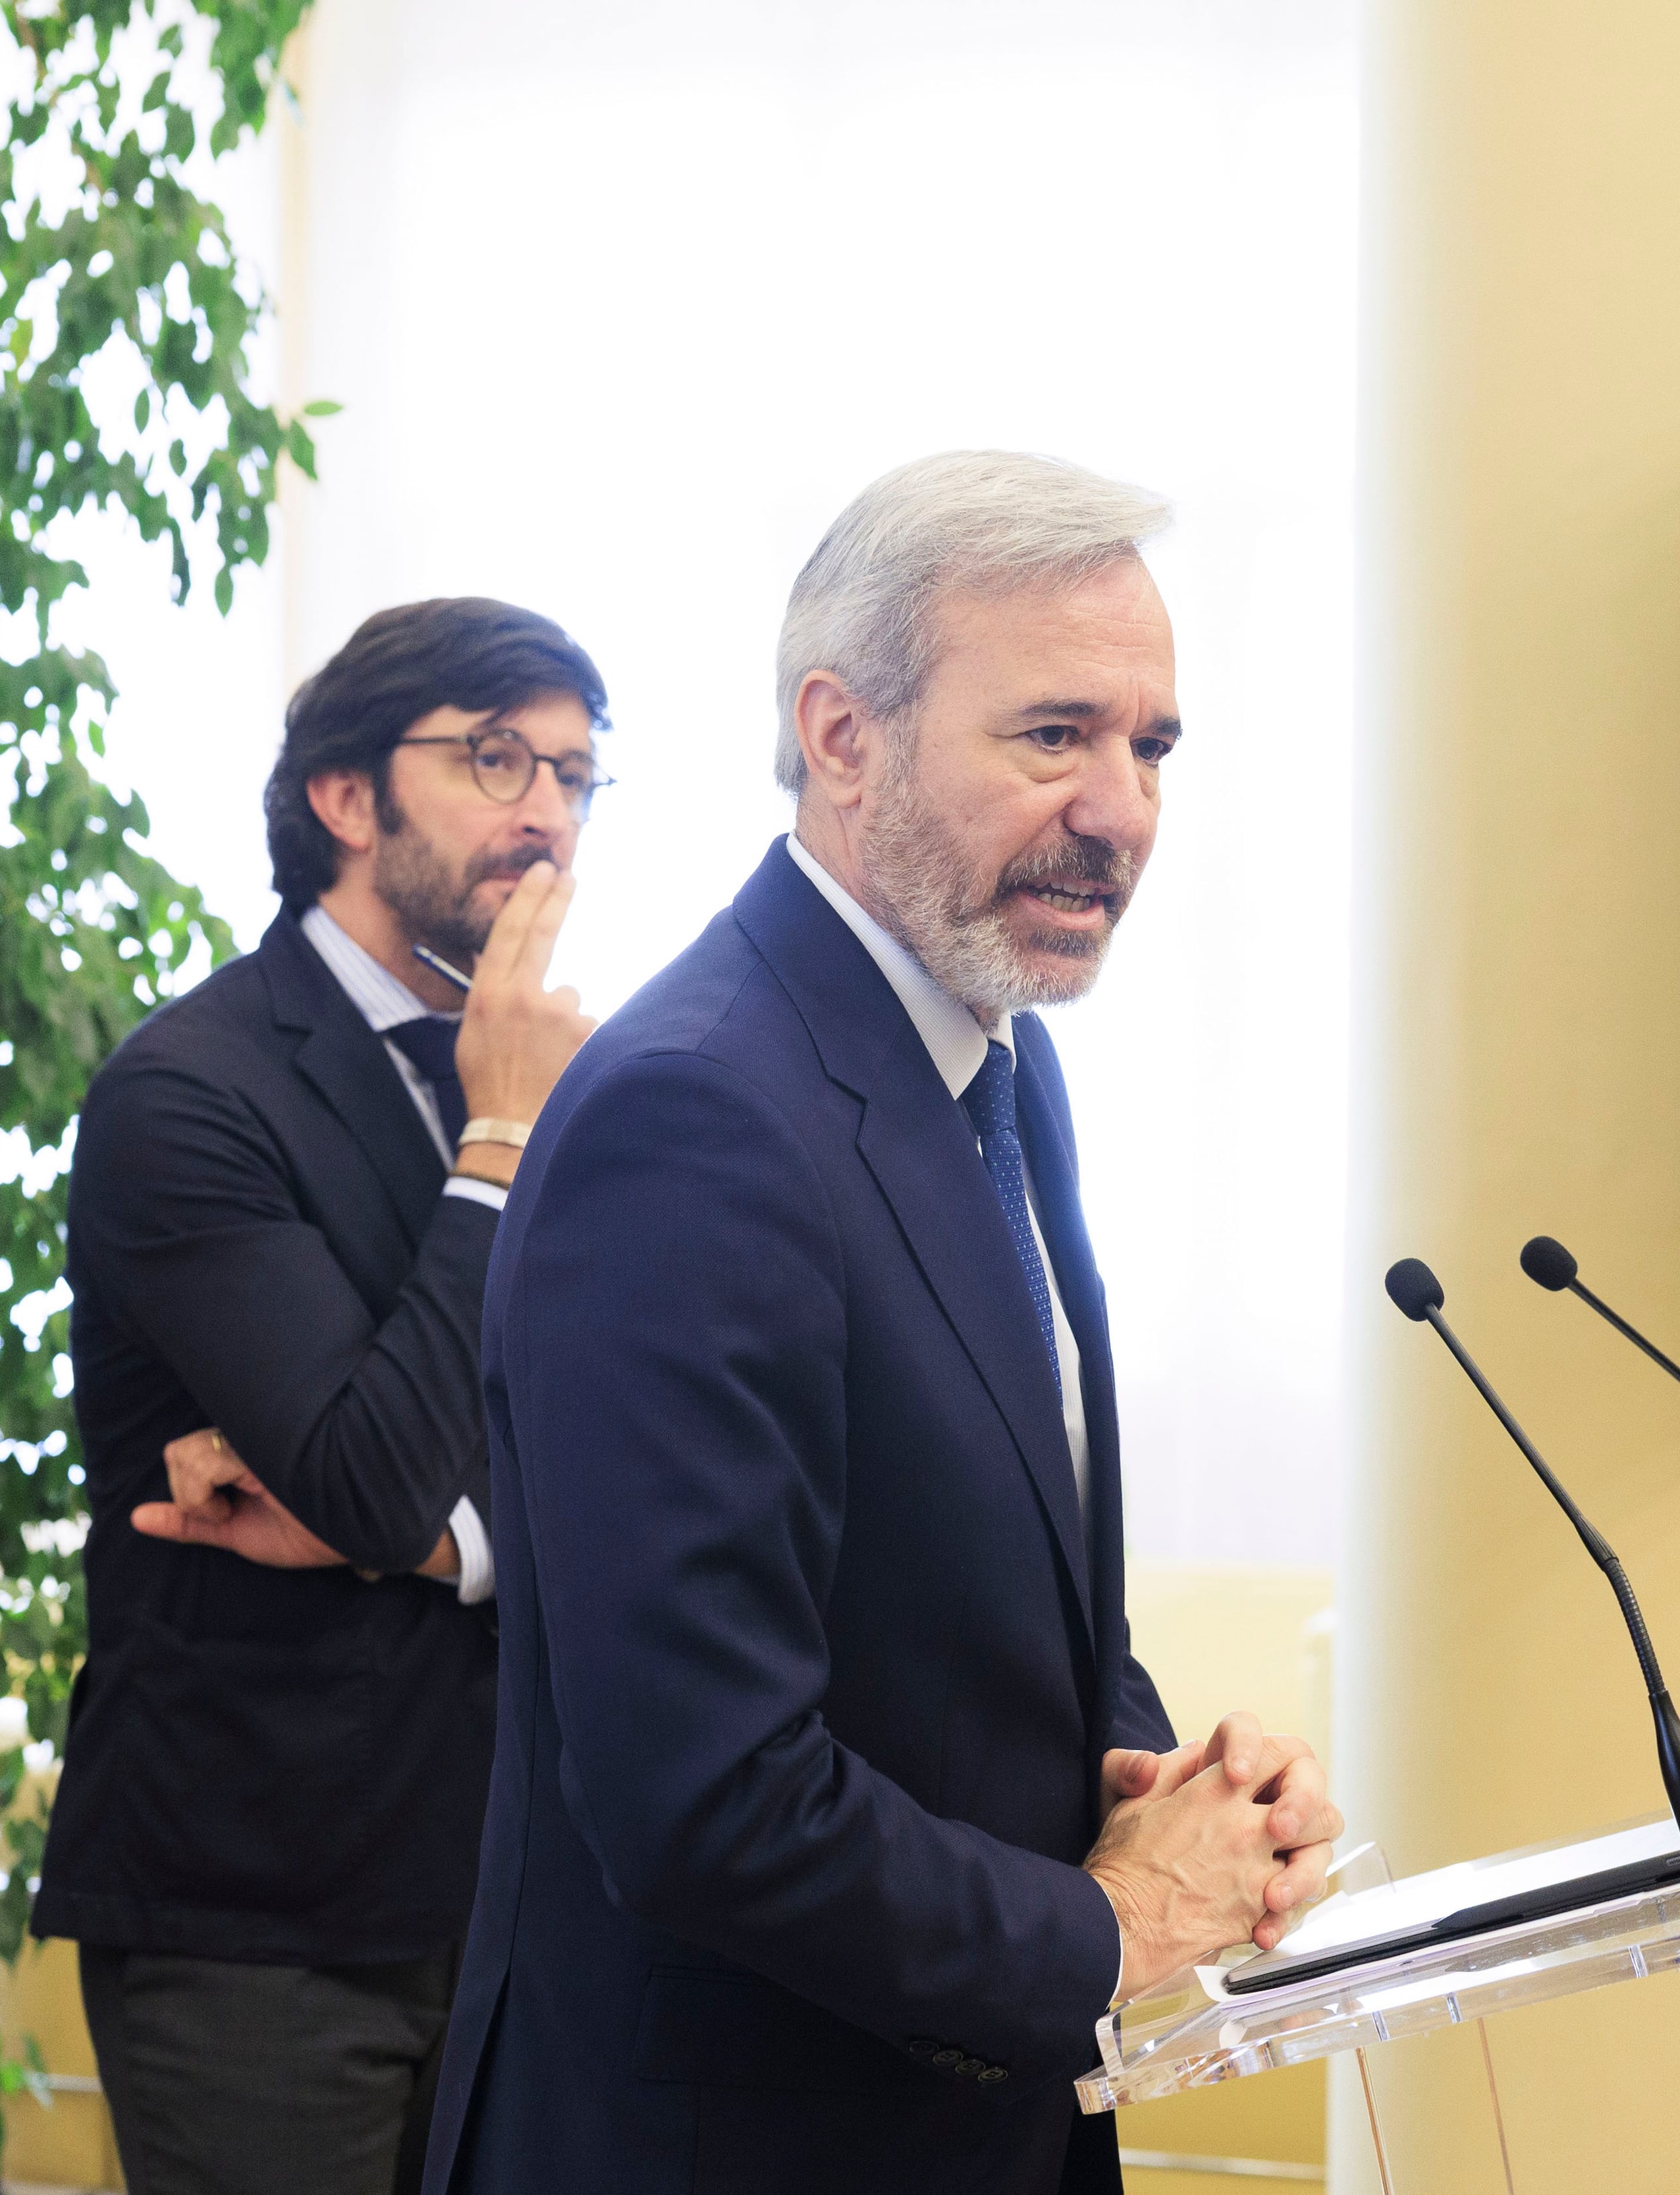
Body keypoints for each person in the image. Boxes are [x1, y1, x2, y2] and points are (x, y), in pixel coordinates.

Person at [424, 455, 1341, 2195]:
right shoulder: (692, 1119)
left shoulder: (1000, 1055)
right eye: (1054, 735)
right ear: (842, 736)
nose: (1121, 809)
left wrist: (1170, 1777)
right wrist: (1109, 1918)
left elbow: (967, 1597)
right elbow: (701, 1791)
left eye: (1152, 747)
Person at [32, 597, 606, 2195]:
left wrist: (441, 1547)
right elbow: (368, 1471)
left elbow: (629, 1459)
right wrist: (494, 1145)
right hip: (260, 1919)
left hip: (521, 1889)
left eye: (574, 771)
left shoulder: (581, 1079)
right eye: (496, 758)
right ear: (344, 799)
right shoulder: (190, 1089)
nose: (547, 812)